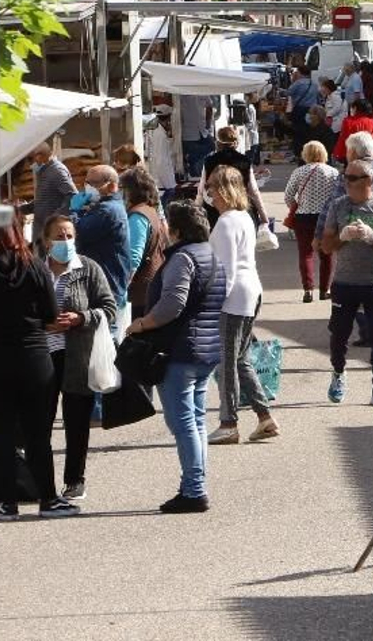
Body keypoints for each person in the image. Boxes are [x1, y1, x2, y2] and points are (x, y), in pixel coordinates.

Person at [0, 223, 75, 520]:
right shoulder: (34, 266)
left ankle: (8, 503)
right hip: (32, 355)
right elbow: (50, 313)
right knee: (38, 433)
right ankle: (48, 498)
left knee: (0, 431)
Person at [124, 202, 226, 514]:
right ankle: (194, 485)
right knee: (194, 421)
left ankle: (194, 489)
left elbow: (172, 305)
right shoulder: (210, 255)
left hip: (182, 351)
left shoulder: (183, 258)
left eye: (169, 224)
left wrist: (140, 324)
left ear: (178, 229)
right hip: (206, 348)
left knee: (183, 423)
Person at [41, 215, 117, 501]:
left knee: (76, 422)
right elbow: (19, 311)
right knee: (40, 422)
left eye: (70, 236)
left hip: (78, 356)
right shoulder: (37, 270)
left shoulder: (88, 269)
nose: (65, 242)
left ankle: (75, 480)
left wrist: (81, 318)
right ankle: (41, 481)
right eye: (59, 237)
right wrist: (43, 324)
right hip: (43, 356)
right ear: (47, 241)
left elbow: (109, 307)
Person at [320, 160, 373, 406]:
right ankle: (338, 373)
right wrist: (343, 237)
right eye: (345, 177)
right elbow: (326, 246)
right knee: (339, 335)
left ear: (369, 181)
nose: (347, 182)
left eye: (353, 178)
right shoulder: (338, 206)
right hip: (345, 282)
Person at [203, 166, 278, 445]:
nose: (208, 192)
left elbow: (227, 270)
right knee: (240, 359)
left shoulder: (225, 222)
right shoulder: (242, 217)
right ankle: (264, 416)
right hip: (250, 292)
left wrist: (213, 304)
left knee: (226, 363)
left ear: (223, 189)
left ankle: (228, 422)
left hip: (234, 298)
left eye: (211, 186)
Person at [74, 165, 132, 323]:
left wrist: (74, 212)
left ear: (112, 185)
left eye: (93, 183)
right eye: (87, 182)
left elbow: (77, 233)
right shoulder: (105, 207)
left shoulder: (107, 211)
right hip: (107, 281)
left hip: (107, 284)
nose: (88, 188)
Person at [285, 141, 341, 304]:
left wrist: (297, 207)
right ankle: (325, 290)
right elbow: (338, 197)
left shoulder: (299, 172)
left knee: (305, 254)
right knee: (327, 255)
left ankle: (308, 290)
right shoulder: (333, 172)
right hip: (326, 218)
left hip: (303, 218)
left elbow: (288, 196)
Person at [120, 167, 169, 317]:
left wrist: (122, 288)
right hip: (151, 287)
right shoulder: (149, 210)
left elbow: (134, 257)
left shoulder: (138, 216)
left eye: (122, 188)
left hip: (141, 292)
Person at [199, 126, 268, 227]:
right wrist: (263, 216)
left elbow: (201, 190)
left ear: (218, 142)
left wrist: (197, 209)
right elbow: (254, 191)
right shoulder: (245, 161)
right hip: (240, 209)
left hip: (215, 211)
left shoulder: (209, 161)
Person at [29, 142, 76, 256]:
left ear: (39, 156)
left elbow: (72, 195)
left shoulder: (56, 171)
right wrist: (21, 208)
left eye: (30, 159)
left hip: (51, 234)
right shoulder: (44, 171)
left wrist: (54, 220)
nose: (29, 163)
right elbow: (44, 200)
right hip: (42, 232)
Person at [286, 64, 319, 132]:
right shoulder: (314, 83)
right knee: (309, 128)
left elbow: (288, 92)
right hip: (312, 110)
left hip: (300, 110)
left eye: (297, 72)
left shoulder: (299, 83)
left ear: (300, 73)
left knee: (298, 128)